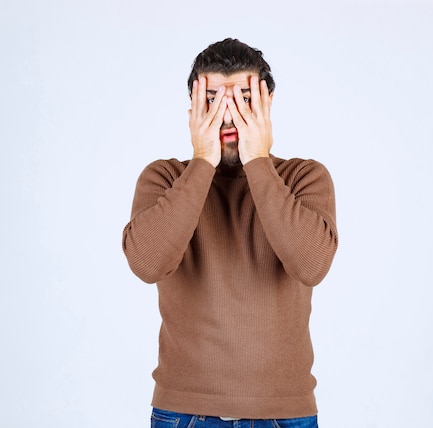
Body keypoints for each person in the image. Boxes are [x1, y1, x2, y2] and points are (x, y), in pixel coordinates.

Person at [122, 38, 338, 428]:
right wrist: (203, 160)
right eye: (212, 100)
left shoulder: (305, 178)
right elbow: (147, 263)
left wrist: (257, 159)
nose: (227, 116)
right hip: (184, 415)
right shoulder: (165, 179)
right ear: (191, 107)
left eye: (243, 100)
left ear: (267, 104)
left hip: (285, 414)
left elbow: (311, 266)